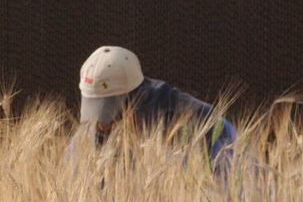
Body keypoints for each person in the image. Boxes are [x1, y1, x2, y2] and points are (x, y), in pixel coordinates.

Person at [77, 45, 236, 174]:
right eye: (94, 110)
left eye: (107, 112)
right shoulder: (92, 131)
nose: (102, 125)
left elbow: (240, 191)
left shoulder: (206, 125)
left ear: (138, 98)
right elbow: (73, 175)